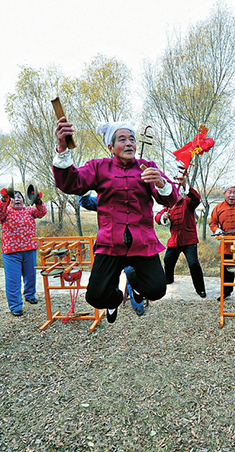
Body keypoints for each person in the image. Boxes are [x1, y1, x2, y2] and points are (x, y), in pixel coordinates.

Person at [53, 119, 178, 324]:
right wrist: (62, 148)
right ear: (111, 147)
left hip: (141, 242)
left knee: (157, 290)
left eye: (132, 139)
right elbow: (70, 183)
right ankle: (115, 299)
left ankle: (135, 285)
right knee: (95, 296)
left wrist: (161, 182)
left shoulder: (147, 167)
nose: (129, 143)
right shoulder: (99, 167)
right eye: (122, 139)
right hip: (110, 243)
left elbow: (171, 199)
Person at [79, 193, 147, 316]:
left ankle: (138, 303)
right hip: (112, 248)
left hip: (131, 246)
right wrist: (83, 188)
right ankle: (112, 303)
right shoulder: (104, 199)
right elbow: (86, 202)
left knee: (132, 273)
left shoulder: (134, 197)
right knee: (110, 278)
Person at [0, 188, 47, 316]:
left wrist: (38, 200)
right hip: (11, 252)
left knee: (31, 276)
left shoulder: (29, 210)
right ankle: (15, 306)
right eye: (13, 197)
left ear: (24, 199)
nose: (17, 199)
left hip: (29, 249)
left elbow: (42, 212)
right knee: (13, 280)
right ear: (9, 201)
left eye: (19, 197)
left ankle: (29, 295)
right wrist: (3, 200)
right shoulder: (5, 211)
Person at [154, 177, 207, 299]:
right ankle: (169, 279)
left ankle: (200, 289)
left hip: (189, 241)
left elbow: (197, 198)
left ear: (182, 193)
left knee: (193, 264)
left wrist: (187, 186)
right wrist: (163, 216)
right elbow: (157, 217)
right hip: (174, 241)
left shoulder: (188, 202)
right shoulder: (168, 206)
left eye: (178, 192)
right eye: (174, 193)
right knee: (168, 260)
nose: (176, 195)